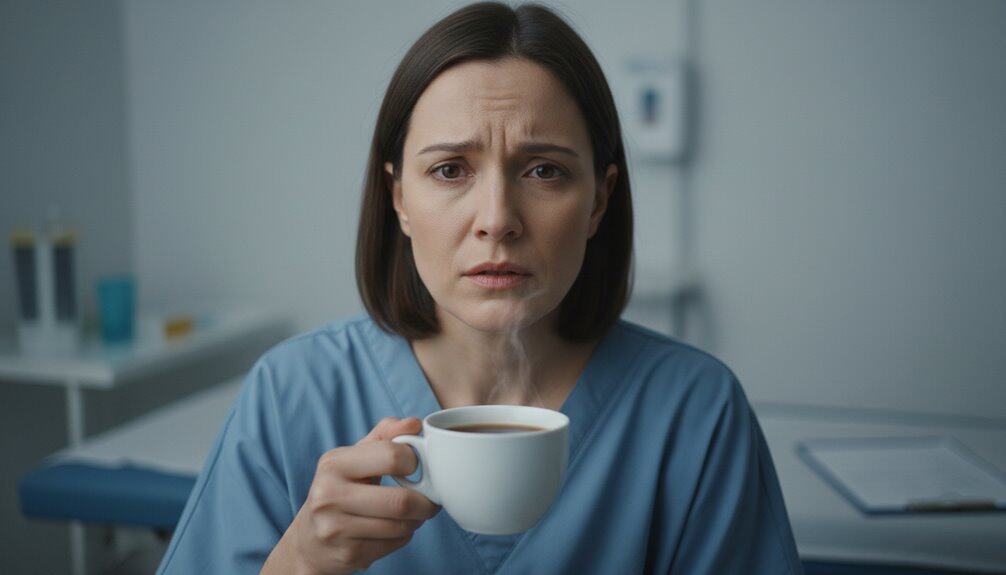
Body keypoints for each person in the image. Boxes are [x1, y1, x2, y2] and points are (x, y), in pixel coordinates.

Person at [157, 2, 804, 574]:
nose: (497, 218)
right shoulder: (290, 395)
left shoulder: (695, 412)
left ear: (600, 201)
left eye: (544, 169)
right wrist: (299, 562)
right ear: (399, 199)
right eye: (449, 169)